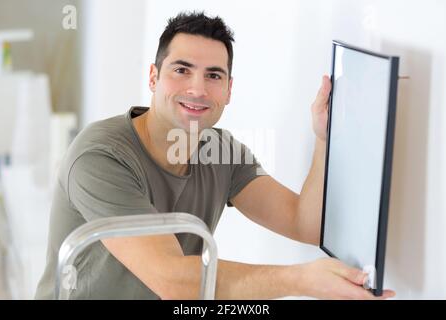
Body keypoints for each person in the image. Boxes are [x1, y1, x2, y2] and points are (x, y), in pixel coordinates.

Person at [35, 11, 395, 300]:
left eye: (213, 75)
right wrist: (301, 280)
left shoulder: (220, 152)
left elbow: (306, 223)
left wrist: (322, 139)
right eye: (181, 70)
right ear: (153, 77)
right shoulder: (101, 156)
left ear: (228, 90)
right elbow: (172, 281)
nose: (197, 88)